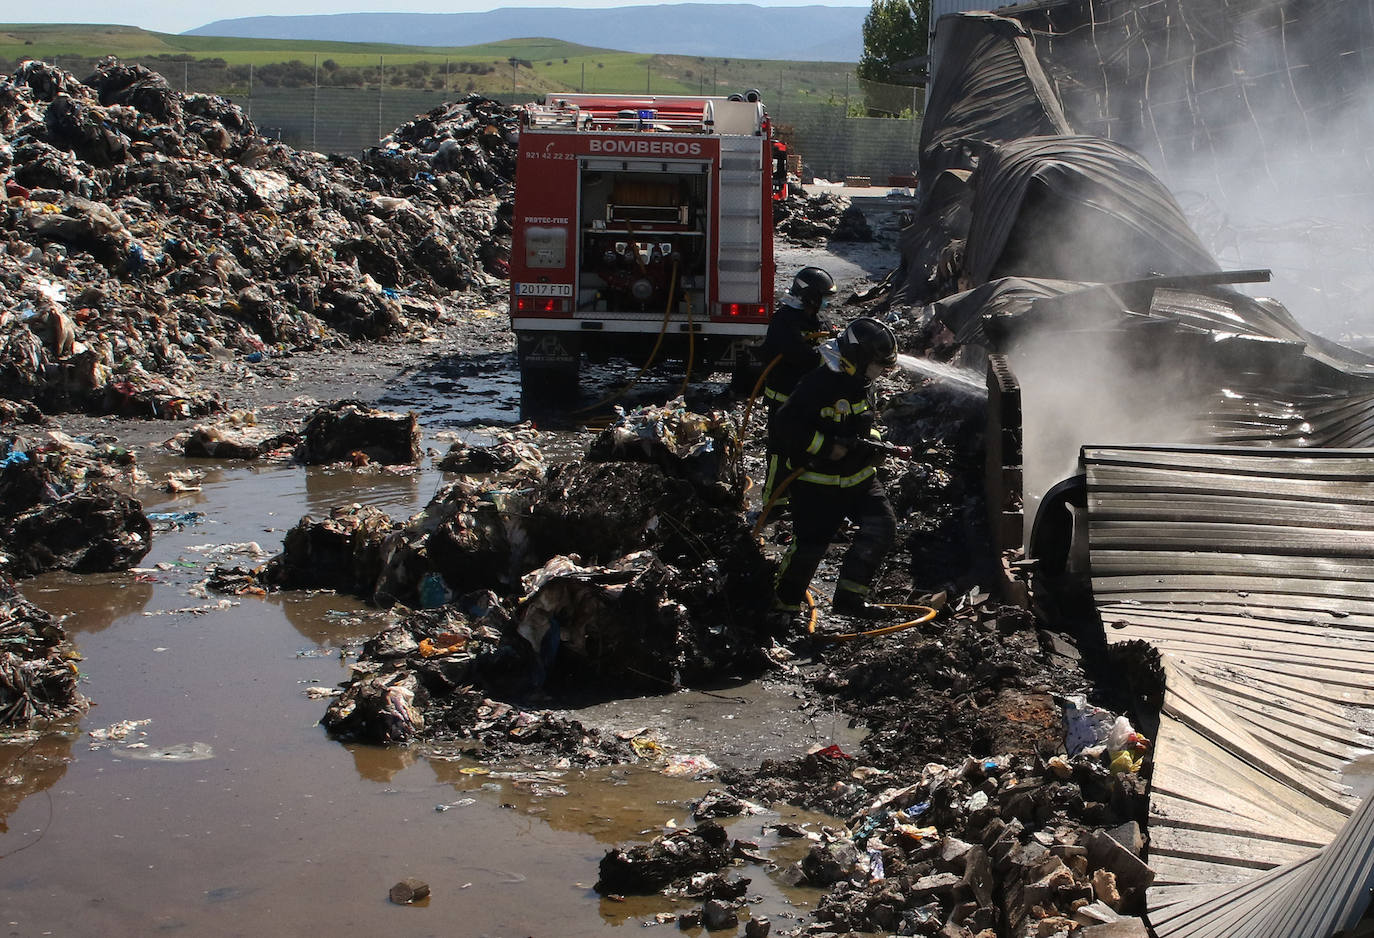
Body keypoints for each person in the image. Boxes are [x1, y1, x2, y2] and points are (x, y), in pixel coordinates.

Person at [767, 316, 907, 632]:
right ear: (857, 359)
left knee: (881, 527)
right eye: (877, 364)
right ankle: (782, 608)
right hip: (817, 483)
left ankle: (851, 598)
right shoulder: (817, 384)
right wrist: (825, 446)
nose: (881, 372)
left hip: (859, 478)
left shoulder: (863, 384)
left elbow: (864, 423)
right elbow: (785, 426)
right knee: (810, 545)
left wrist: (874, 443)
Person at [757, 266, 837, 515]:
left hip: (808, 401)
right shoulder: (784, 321)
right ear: (810, 296)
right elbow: (802, 357)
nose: (826, 303)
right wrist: (828, 358)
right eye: (823, 297)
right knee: (780, 453)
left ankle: (800, 499)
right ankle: (773, 503)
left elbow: (830, 342)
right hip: (783, 399)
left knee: (806, 451)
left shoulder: (817, 319)